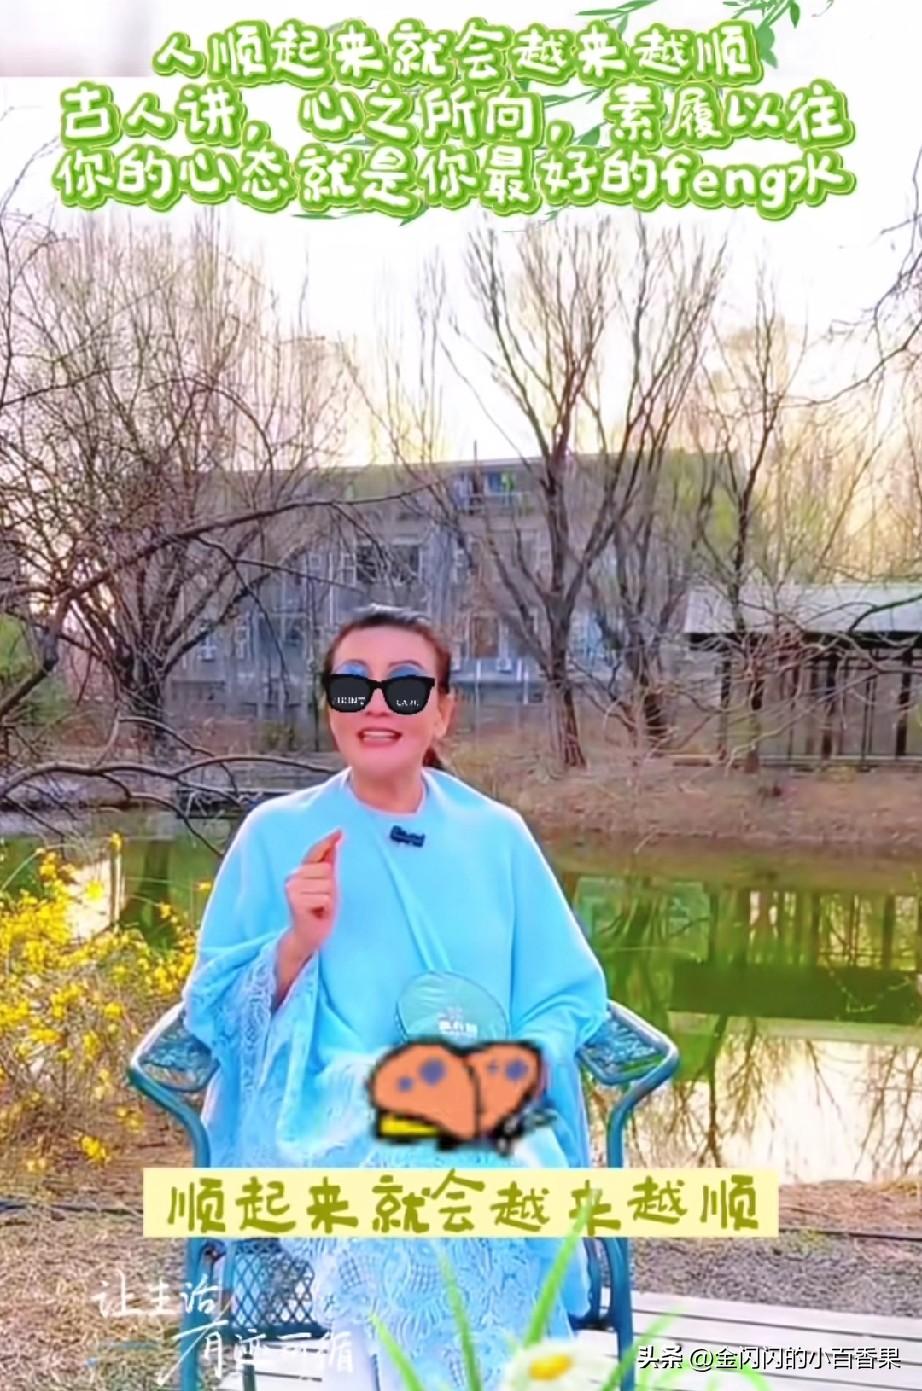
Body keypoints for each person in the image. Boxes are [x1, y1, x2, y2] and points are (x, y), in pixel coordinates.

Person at [181, 604, 611, 1391]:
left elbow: (567, 993)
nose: (377, 705)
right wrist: (296, 942)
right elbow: (215, 1013)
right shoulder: (276, 832)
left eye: (405, 687)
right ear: (331, 707)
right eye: (353, 686)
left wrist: (524, 1063)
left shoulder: (498, 834)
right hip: (325, 1104)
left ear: (443, 709)